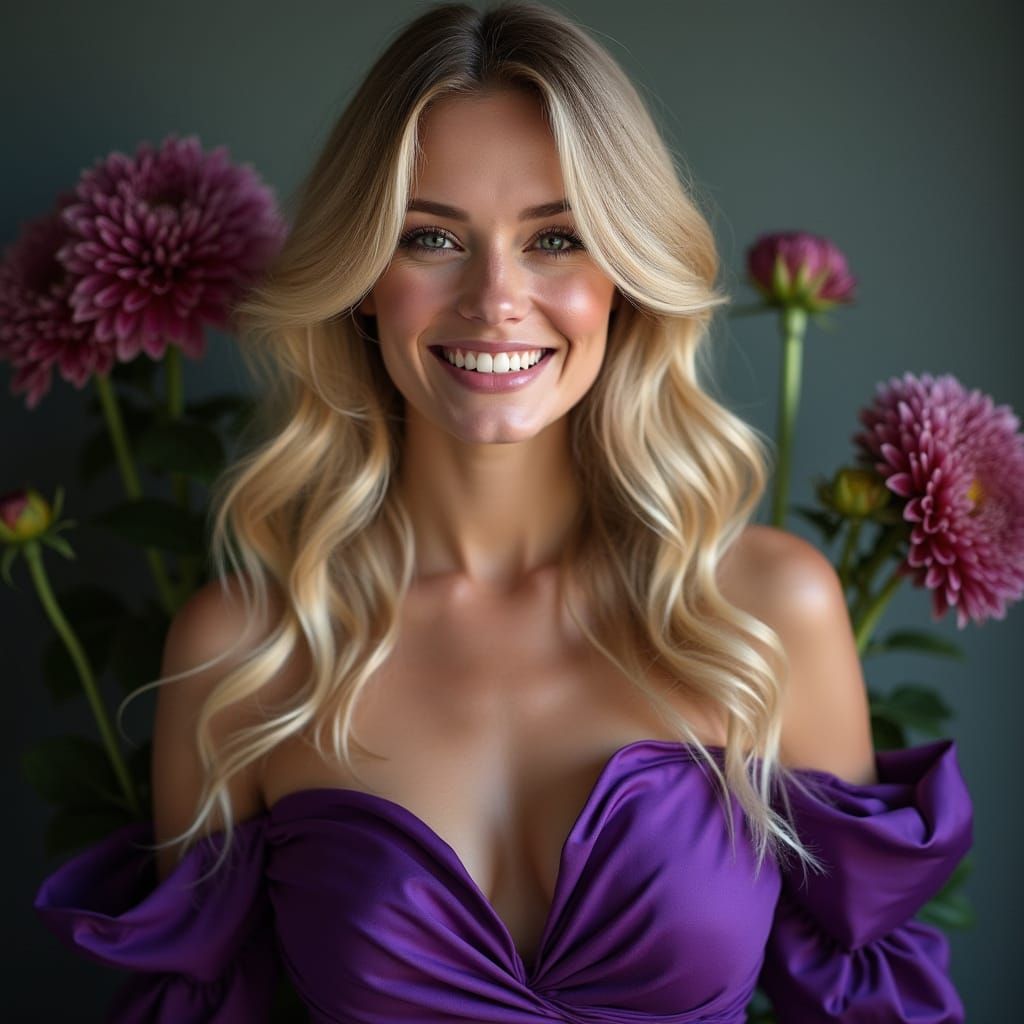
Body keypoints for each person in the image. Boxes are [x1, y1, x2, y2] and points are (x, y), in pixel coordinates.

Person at [34, 2, 973, 1021]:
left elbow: (862, 995)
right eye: (430, 236)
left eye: (556, 238)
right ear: (359, 279)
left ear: (625, 279)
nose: (495, 297)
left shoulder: (767, 611)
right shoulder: (247, 651)